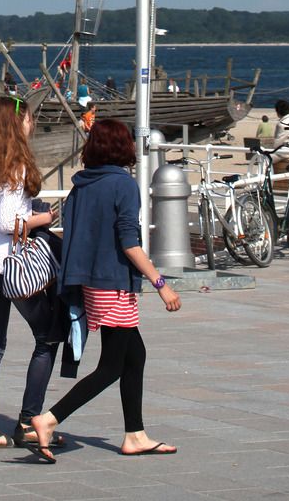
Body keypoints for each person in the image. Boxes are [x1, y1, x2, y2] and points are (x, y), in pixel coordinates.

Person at [29, 119, 181, 462]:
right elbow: (130, 243)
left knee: (134, 355)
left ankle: (135, 434)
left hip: (90, 283)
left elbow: (73, 233)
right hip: (113, 284)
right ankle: (49, 419)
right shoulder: (123, 186)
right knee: (111, 366)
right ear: (124, 147)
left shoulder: (81, 185)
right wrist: (161, 284)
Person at [0, 96, 60, 450]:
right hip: (12, 262)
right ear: (17, 123)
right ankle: (28, 420)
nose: (32, 124)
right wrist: (45, 217)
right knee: (48, 337)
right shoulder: (17, 165)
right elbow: (11, 223)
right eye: (29, 119)